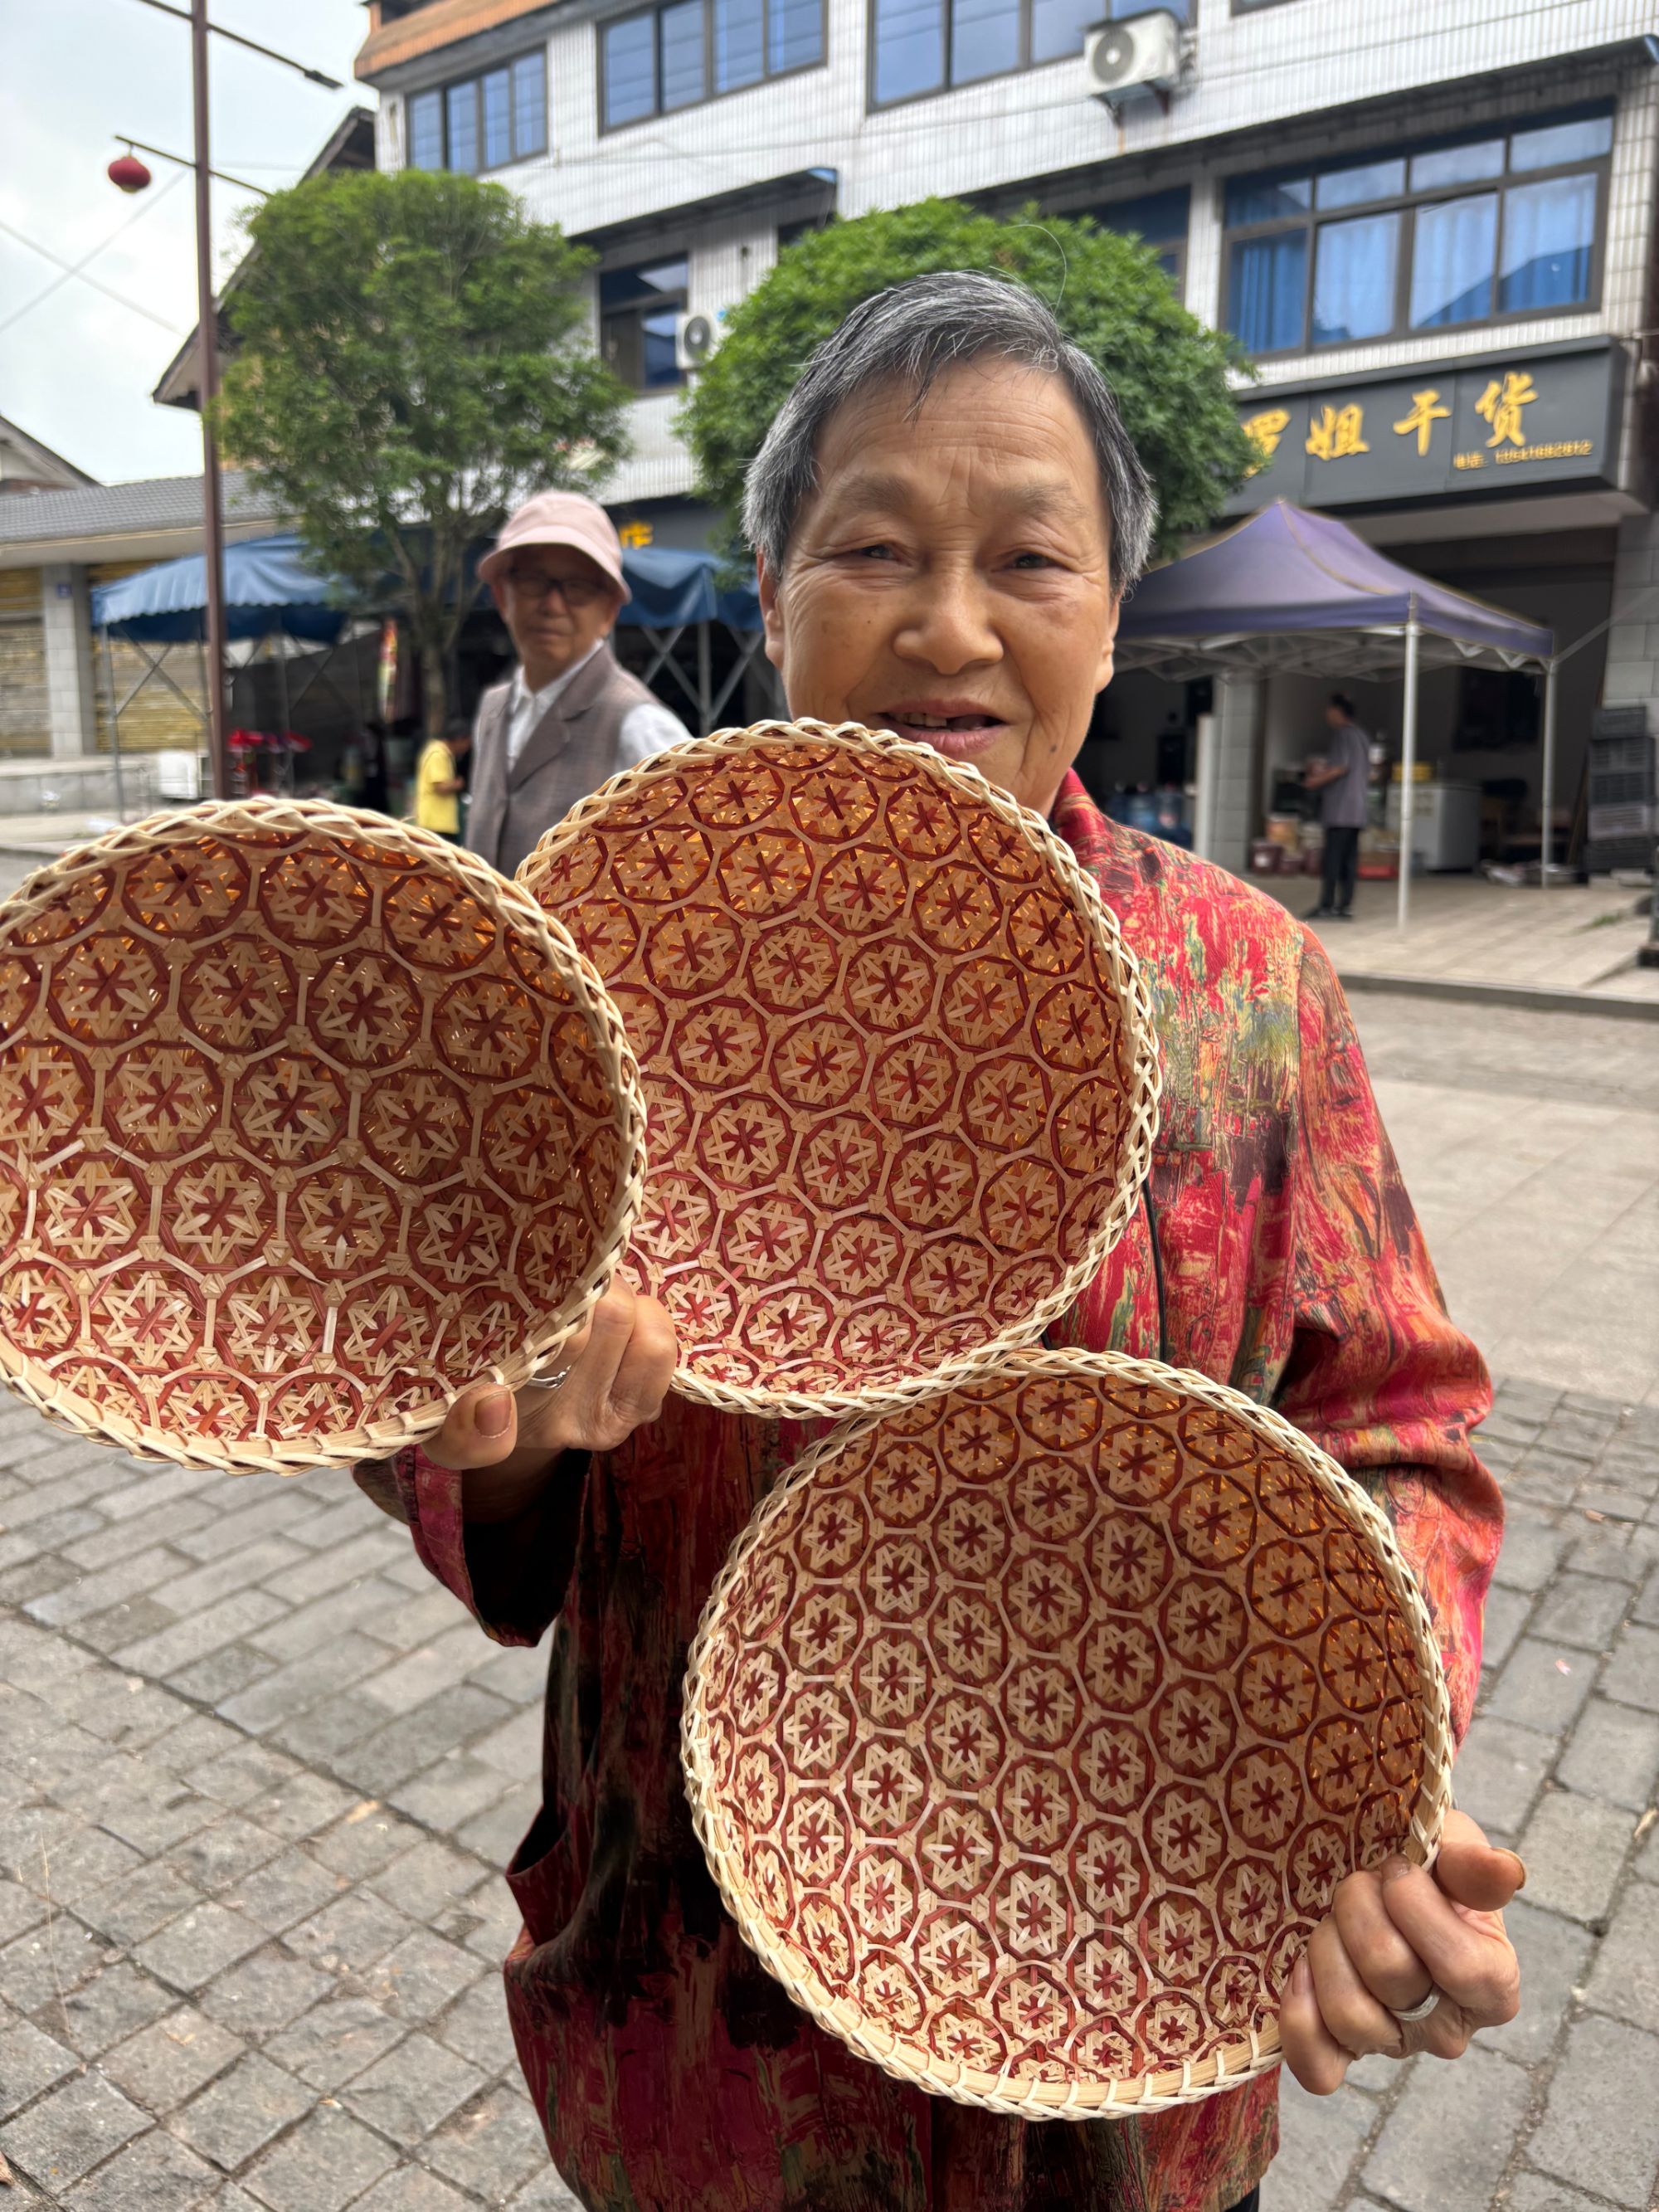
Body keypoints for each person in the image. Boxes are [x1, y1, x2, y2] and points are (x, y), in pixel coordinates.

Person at [356, 274, 1516, 2212]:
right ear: (772, 582)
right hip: (700, 2021)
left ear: (1111, 612)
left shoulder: (1246, 980)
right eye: (872, 546)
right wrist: (509, 1428)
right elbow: (438, 1408)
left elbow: (1396, 1418)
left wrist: (1358, 1756)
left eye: (1025, 558)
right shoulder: (588, 972)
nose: (945, 623)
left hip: (1131, 1996)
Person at [467, 490, 691, 877]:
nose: (553, 605)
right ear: (503, 596)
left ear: (608, 611)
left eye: (578, 586)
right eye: (535, 581)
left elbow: (688, 871)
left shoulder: (637, 724)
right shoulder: (493, 708)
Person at [1305, 693, 1372, 920]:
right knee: (1349, 860)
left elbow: (1339, 768)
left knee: (1332, 859)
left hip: (1341, 810)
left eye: (1329, 710)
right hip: (1357, 810)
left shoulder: (1343, 735)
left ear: (1337, 712)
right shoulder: (1362, 736)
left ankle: (1326, 905)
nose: (1327, 715)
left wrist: (1315, 781)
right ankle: (1345, 906)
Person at [413, 718, 469, 842]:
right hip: (436, 822)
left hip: (441, 822)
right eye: (467, 742)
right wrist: (459, 783)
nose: (467, 747)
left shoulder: (445, 754)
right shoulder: (438, 755)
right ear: (459, 739)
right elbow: (440, 786)